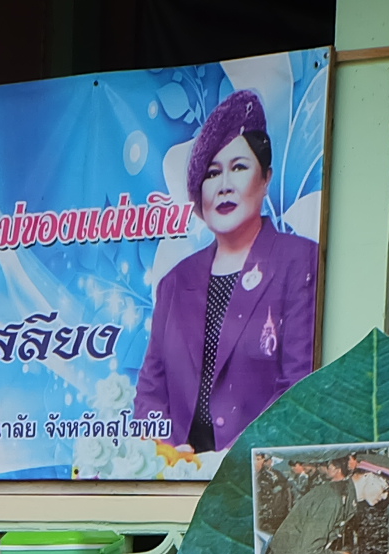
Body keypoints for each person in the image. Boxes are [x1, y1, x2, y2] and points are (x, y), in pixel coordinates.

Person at [132, 89, 321, 454]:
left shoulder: (299, 262)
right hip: (179, 477)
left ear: (265, 178)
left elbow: (297, 385)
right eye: (212, 173)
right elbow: (151, 390)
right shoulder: (175, 281)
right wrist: (168, 455)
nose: (224, 186)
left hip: (254, 474)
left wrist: (226, 462)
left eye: (238, 168)